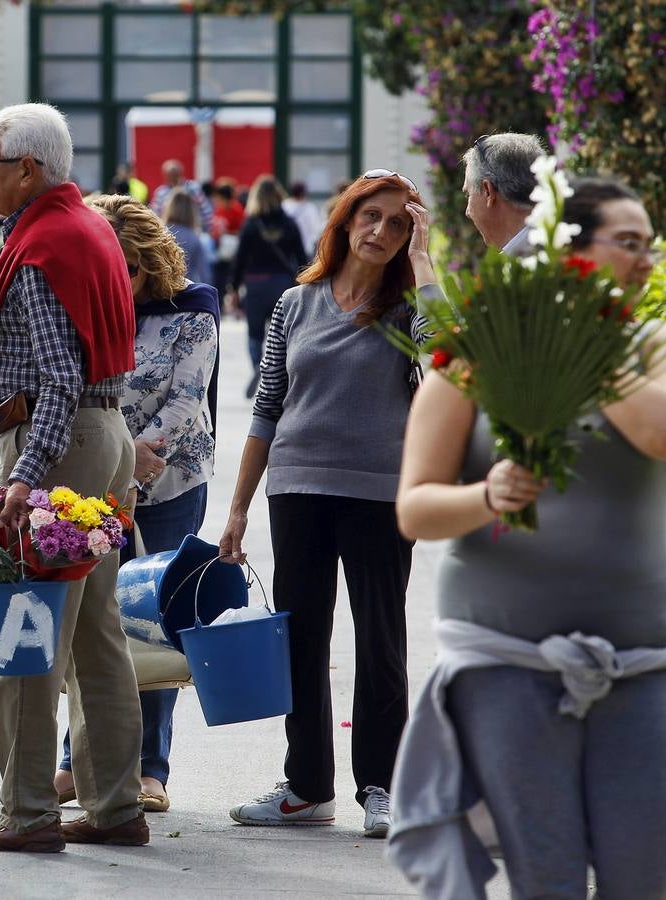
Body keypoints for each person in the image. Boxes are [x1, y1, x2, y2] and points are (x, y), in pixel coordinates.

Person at [389, 177, 666, 897]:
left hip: (642, 663)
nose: (645, 261)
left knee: (642, 872)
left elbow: (658, 433)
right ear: (564, 249)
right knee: (544, 873)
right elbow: (415, 510)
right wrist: (487, 494)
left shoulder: (651, 346)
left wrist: (580, 338)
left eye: (649, 245)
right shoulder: (473, 356)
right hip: (503, 663)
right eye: (627, 243)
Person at [0, 102, 147, 854]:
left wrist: (25, 478)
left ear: (26, 169)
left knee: (25, 632)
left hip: (54, 443)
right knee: (95, 634)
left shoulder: (40, 248)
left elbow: (57, 383)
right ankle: (112, 804)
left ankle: (27, 810)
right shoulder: (83, 225)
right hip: (104, 436)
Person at [217, 170, 437, 840]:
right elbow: (267, 406)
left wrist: (426, 263)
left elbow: (449, 355)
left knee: (379, 641)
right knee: (300, 640)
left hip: (377, 491)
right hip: (296, 486)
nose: (381, 232)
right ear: (343, 221)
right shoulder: (295, 303)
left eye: (398, 223)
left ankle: (383, 786)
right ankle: (307, 786)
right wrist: (237, 510)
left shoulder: (407, 307)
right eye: (370, 216)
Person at [52, 194, 219, 815]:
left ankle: (151, 767)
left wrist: (141, 455)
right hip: (98, 482)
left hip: (170, 481)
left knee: (153, 618)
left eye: (125, 266)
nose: (114, 277)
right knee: (93, 619)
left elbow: (186, 398)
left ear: (149, 265)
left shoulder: (191, 312)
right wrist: (114, 458)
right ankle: (77, 760)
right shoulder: (80, 310)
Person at [229, 174, 308, 398]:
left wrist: (233, 288)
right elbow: (302, 257)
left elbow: (239, 259)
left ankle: (257, 366)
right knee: (282, 334)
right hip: (282, 285)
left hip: (255, 285)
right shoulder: (289, 224)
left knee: (255, 334)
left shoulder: (251, 225)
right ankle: (279, 373)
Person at [462, 132, 545, 254]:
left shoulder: (524, 265)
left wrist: (422, 258)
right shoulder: (568, 238)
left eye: (468, 195)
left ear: (488, 191)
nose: (467, 212)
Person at [161, 188, 214, 286]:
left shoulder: (161, 233)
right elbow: (204, 273)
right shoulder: (194, 237)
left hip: (162, 289)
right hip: (186, 289)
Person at [150, 159, 213, 231]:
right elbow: (155, 214)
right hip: (169, 232)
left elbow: (205, 210)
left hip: (193, 230)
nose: (173, 178)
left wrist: (208, 230)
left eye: (175, 174)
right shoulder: (161, 193)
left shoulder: (193, 188)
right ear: (165, 176)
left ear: (180, 173)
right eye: (170, 175)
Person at [211, 178, 246, 293]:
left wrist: (227, 233)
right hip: (219, 249)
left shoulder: (236, 210)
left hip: (231, 249)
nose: (217, 200)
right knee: (219, 279)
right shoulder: (219, 209)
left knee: (228, 276)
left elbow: (241, 230)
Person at [282, 180, 326, 259]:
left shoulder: (284, 206)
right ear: (303, 193)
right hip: (305, 250)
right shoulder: (310, 208)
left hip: (286, 250)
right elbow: (316, 230)